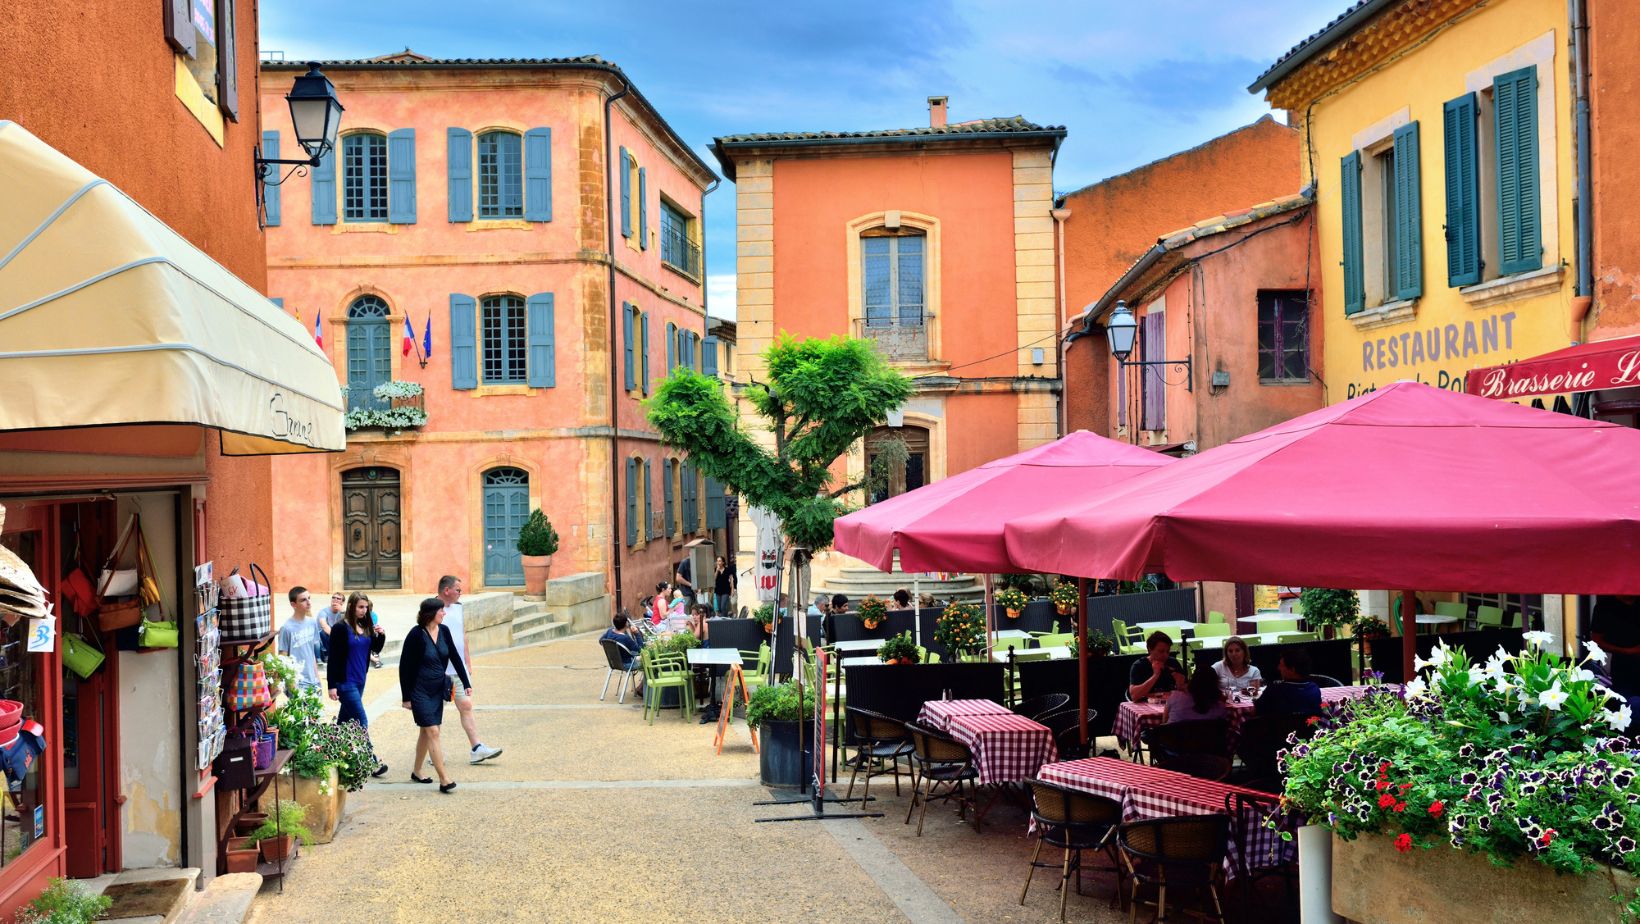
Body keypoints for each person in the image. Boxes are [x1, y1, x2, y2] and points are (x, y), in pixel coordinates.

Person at [398, 597, 470, 792]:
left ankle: (417, 771)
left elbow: (455, 656)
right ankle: (444, 779)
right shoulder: (415, 635)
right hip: (419, 690)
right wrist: (406, 697)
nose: (444, 613)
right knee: (433, 731)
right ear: (431, 613)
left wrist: (466, 682)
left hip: (438, 689)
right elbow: (404, 667)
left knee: (425, 731)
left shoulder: (444, 631)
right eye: (441, 611)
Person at [431, 576, 502, 765]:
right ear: (446, 590)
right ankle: (434, 752)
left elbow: (462, 636)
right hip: (438, 671)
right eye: (458, 590)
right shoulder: (431, 609)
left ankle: (477, 748)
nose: (460, 593)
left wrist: (467, 662)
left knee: (466, 706)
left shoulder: (459, 608)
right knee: (435, 713)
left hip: (458, 668)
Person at [327, 591, 389, 778]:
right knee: (361, 720)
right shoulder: (340, 628)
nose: (364, 611)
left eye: (366, 608)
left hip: (361, 679)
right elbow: (334, 658)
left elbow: (374, 649)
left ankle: (331, 752)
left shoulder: (365, 626)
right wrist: (332, 685)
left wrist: (381, 635)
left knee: (344, 721)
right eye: (361, 607)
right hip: (346, 682)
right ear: (352, 606)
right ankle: (372, 762)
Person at [1592, 595, 1640, 732]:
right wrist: (1628, 651)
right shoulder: (1605, 607)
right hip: (1623, 667)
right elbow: (1596, 640)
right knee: (1629, 708)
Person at [278, 587, 322, 694]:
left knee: (318, 711)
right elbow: (283, 660)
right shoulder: (286, 628)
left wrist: (317, 679)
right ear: (293, 605)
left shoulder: (312, 623)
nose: (309, 602)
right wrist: (292, 687)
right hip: (298, 683)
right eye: (303, 600)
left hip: (313, 681)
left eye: (309, 598)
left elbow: (311, 653)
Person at [1255, 649, 1323, 717]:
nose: (1278, 668)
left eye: (1281, 665)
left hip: (1279, 727)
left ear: (1292, 670)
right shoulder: (1315, 689)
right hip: (1310, 727)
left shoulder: (1275, 690)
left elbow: (1258, 710)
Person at [1127, 632, 1187, 703]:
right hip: (1146, 707)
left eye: (1167, 651)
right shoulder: (1139, 665)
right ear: (1150, 650)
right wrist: (1155, 675)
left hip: (1170, 706)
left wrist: (1181, 685)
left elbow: (1189, 692)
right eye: (1161, 651)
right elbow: (1134, 696)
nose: (1165, 655)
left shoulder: (1173, 663)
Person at [315, 591, 345, 663]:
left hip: (334, 638)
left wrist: (343, 612)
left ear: (342, 602)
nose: (335, 600)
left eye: (338, 599)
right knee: (323, 632)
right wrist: (337, 637)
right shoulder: (323, 612)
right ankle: (327, 655)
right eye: (333, 598)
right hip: (323, 639)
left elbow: (348, 626)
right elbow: (324, 626)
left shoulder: (343, 612)